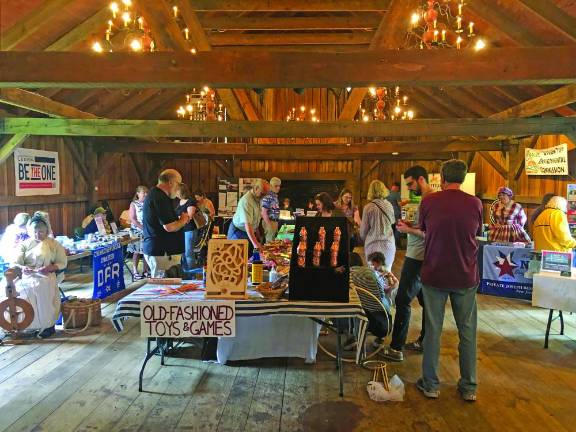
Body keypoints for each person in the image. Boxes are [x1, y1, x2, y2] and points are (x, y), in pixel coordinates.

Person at [417, 159, 483, 402]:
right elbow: (476, 233)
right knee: (467, 332)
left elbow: (423, 229)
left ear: (442, 178)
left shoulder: (429, 201)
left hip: (434, 272)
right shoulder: (475, 203)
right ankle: (469, 387)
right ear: (463, 178)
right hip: (465, 275)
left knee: (433, 330)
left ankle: (431, 384)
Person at [382, 166, 433, 362]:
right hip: (417, 255)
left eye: (411, 184)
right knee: (425, 301)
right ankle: (424, 341)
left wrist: (408, 230)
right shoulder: (423, 200)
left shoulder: (430, 200)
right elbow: (425, 228)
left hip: (417, 257)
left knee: (402, 300)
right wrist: (410, 226)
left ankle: (396, 348)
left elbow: (430, 234)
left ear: (421, 179)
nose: (410, 189)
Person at [11, 214, 67, 339]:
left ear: (47, 230)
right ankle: (27, 324)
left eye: (41, 232)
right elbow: (16, 261)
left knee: (43, 294)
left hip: (46, 276)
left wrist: (49, 268)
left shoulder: (54, 244)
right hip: (27, 276)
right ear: (30, 231)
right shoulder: (25, 244)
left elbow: (62, 262)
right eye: (34, 232)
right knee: (22, 293)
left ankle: (48, 326)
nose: (37, 235)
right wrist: (22, 268)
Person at [344, 252, 398, 351]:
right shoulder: (371, 273)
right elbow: (381, 296)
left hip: (359, 318)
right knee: (383, 302)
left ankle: (353, 336)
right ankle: (379, 338)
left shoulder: (347, 276)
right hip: (381, 322)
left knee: (352, 304)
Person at [142, 169, 190, 277]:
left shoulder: (158, 195)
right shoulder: (159, 198)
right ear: (171, 182)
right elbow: (169, 227)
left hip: (162, 252)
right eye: (179, 184)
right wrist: (183, 220)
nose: (179, 188)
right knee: (164, 289)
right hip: (162, 253)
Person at [360, 180, 396, 272]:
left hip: (373, 245)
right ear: (384, 190)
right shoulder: (389, 205)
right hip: (388, 245)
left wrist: (366, 239)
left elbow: (363, 231)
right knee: (387, 274)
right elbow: (392, 222)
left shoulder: (368, 207)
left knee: (374, 276)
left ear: (370, 191)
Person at [228, 179, 269, 253]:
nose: (264, 196)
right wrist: (256, 244)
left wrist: (258, 237)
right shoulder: (247, 201)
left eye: (265, 194)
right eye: (262, 194)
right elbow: (248, 225)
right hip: (238, 232)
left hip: (248, 231)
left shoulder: (258, 199)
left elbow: (255, 220)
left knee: (248, 258)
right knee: (236, 258)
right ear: (256, 188)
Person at [127, 185, 149, 279]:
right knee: (136, 252)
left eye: (146, 192)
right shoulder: (133, 204)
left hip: (147, 230)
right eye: (143, 192)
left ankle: (145, 270)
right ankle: (135, 271)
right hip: (136, 231)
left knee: (146, 251)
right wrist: (142, 227)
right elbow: (132, 218)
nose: (145, 194)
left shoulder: (148, 203)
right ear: (138, 193)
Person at [176, 183, 199, 273]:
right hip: (181, 230)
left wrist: (178, 218)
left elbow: (189, 217)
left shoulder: (191, 201)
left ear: (181, 191)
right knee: (183, 253)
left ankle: (192, 273)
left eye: (177, 191)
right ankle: (185, 272)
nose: (175, 193)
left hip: (189, 229)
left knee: (188, 252)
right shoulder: (180, 201)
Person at [261, 177, 281, 243]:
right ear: (271, 186)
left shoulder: (274, 196)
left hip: (274, 222)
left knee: (273, 243)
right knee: (269, 244)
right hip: (269, 222)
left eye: (279, 186)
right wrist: (269, 225)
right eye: (276, 186)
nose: (278, 188)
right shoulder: (267, 196)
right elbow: (263, 212)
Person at [386, 182, 402, 248]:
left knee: (390, 229)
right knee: (398, 229)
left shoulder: (387, 194)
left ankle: (390, 244)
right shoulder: (397, 194)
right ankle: (396, 245)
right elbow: (399, 204)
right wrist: (406, 202)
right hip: (396, 214)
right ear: (397, 187)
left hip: (388, 214)